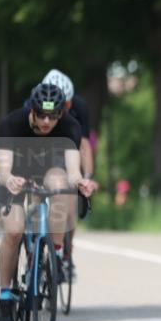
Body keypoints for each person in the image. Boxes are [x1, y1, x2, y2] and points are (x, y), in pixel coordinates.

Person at [0, 82, 96, 321]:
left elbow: (72, 171)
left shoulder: (70, 126)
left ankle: (56, 254)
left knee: (62, 184)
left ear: (61, 113)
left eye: (53, 116)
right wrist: (10, 180)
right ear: (31, 109)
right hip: (15, 176)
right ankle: (6, 295)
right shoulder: (11, 124)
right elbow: (3, 171)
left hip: (49, 170)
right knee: (14, 231)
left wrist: (81, 181)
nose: (46, 122)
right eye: (41, 114)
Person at [41, 69, 98, 279]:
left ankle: (66, 252)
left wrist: (87, 177)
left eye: (67, 105)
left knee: (70, 201)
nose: (64, 109)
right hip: (41, 151)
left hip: (66, 152)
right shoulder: (35, 103)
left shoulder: (79, 108)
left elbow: (84, 145)